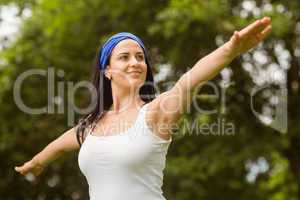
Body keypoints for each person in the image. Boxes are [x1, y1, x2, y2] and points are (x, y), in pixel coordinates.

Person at [15, 17, 272, 200]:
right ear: (107, 71)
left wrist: (230, 49)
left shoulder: (155, 113)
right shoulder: (90, 127)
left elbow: (190, 79)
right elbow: (60, 144)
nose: (135, 62)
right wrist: (37, 163)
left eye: (140, 57)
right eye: (124, 57)